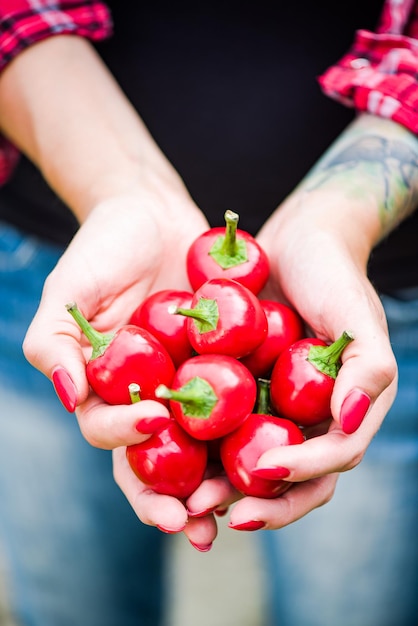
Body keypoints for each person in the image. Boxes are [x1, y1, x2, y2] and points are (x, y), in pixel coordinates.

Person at [0, 1, 417, 626]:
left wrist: (336, 223)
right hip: (65, 278)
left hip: (365, 307)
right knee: (72, 605)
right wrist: (118, 187)